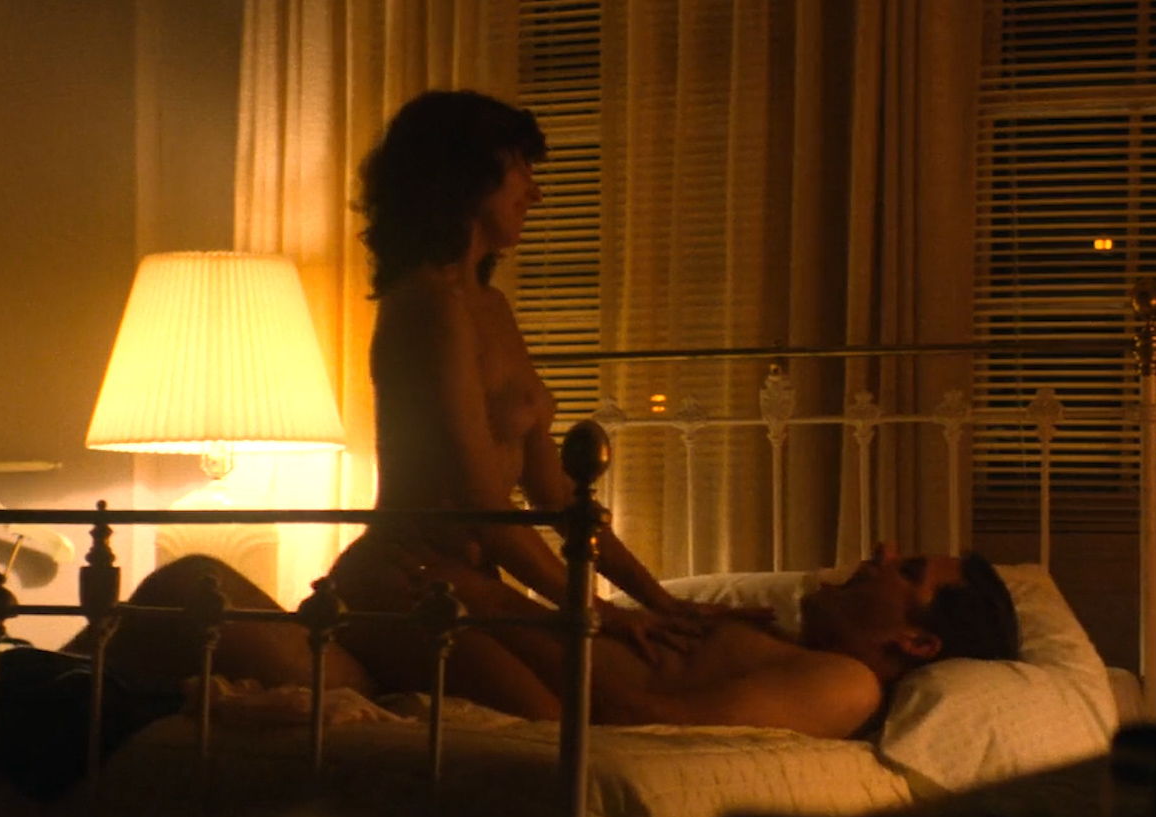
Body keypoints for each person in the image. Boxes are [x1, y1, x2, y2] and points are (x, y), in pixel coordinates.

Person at [327, 89, 752, 714]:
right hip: (403, 578)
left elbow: (556, 496)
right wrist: (592, 609)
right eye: (521, 169)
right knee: (555, 726)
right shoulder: (426, 308)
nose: (536, 192)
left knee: (603, 707)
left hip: (468, 581)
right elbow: (483, 506)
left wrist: (660, 602)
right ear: (466, 178)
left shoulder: (489, 307)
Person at [112, 543, 1019, 740]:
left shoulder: (844, 685)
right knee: (195, 589)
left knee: (196, 596)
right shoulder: (773, 635)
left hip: (519, 694)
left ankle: (67, 686)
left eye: (906, 571)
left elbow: (636, 720)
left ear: (918, 641)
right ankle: (67, 683)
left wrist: (495, 605)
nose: (878, 555)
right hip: (456, 661)